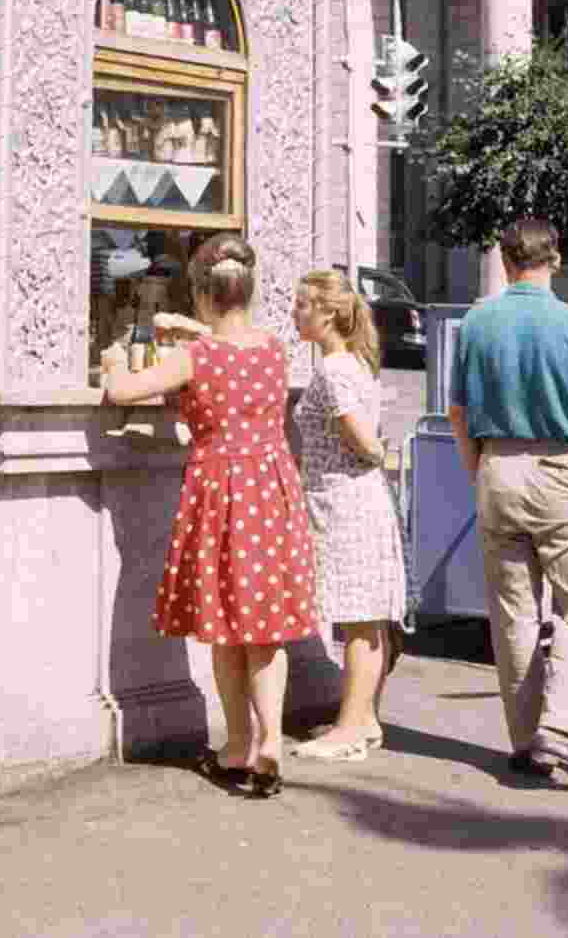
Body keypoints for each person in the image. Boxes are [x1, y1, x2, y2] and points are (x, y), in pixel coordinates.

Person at [102, 232, 317, 798]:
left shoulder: (193, 358)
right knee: (265, 626)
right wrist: (195, 329)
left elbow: (126, 390)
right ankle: (272, 738)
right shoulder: (272, 348)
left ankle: (237, 743)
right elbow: (231, 343)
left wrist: (111, 358)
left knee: (225, 625)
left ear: (199, 293)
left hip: (220, 492)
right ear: (249, 290)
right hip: (272, 491)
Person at [447, 219, 568, 787]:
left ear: (505, 259)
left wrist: (481, 472)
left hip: (498, 467)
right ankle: (562, 729)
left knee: (514, 614)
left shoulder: (476, 323)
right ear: (557, 260)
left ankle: (525, 742)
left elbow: (459, 413)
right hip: (563, 471)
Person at [289, 269, 415, 760]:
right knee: (367, 617)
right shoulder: (354, 364)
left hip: (345, 503)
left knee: (359, 619)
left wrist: (375, 452)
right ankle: (363, 721)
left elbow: (361, 440)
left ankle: (349, 729)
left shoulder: (334, 369)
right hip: (352, 501)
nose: (295, 313)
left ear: (326, 313)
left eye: (302, 305)